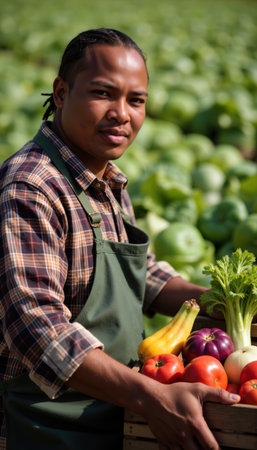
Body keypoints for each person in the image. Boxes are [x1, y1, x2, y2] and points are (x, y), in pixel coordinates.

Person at [0, 28, 240, 450]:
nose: (121, 113)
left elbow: (140, 273)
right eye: (102, 93)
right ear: (60, 93)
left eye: (136, 100)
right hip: (45, 427)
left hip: (106, 411)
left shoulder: (103, 175)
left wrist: (227, 305)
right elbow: (37, 327)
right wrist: (150, 397)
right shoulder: (30, 186)